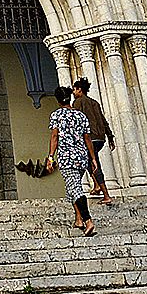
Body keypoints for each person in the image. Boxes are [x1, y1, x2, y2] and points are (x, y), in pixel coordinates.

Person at [46, 85, 99, 236]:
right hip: (82, 157)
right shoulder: (81, 116)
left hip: (67, 157)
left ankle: (88, 220)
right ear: (69, 98)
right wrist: (93, 158)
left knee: (75, 188)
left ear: (58, 100)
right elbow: (87, 138)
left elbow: (55, 137)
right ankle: (78, 219)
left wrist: (50, 156)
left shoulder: (56, 115)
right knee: (72, 186)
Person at [72, 77, 114, 205]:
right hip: (100, 137)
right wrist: (110, 136)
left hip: (89, 138)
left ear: (80, 90)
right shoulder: (94, 102)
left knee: (94, 163)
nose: (73, 92)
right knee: (89, 161)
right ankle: (96, 186)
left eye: (75, 89)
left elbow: (77, 122)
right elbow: (102, 119)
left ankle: (106, 194)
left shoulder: (78, 102)